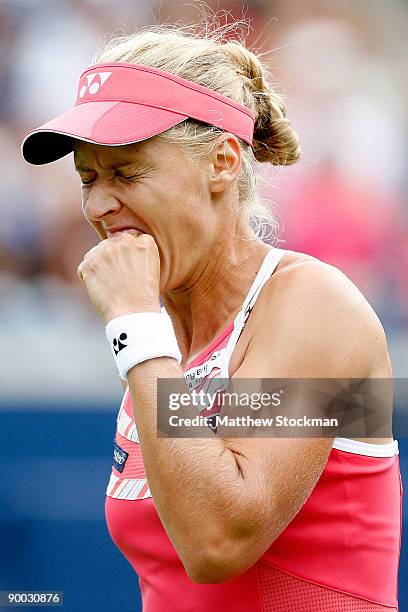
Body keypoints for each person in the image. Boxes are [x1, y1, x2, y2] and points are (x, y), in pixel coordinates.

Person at [21, 22, 401, 612]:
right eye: (88, 178)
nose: (98, 206)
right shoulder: (163, 338)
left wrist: (137, 329)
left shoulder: (318, 306)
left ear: (222, 162)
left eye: (128, 173)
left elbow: (218, 542)